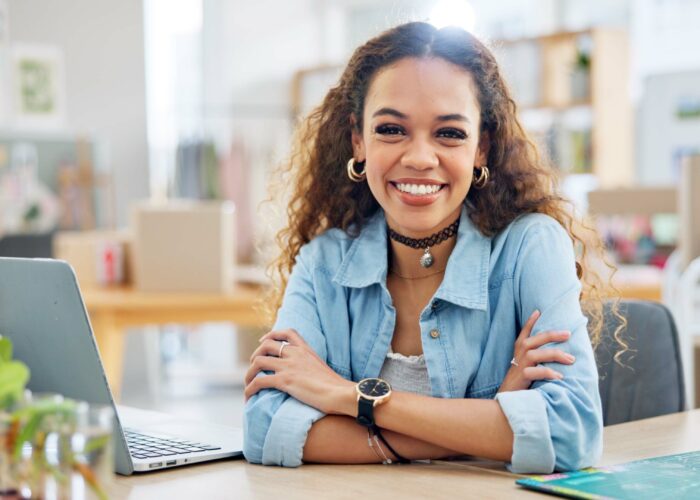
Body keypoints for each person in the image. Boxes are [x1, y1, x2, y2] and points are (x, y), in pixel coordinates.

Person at [243, 21, 619, 473]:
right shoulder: (325, 260)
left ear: (483, 147)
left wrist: (346, 397)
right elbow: (265, 429)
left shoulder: (531, 247)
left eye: (450, 134)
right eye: (390, 129)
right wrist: (484, 430)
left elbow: (571, 432)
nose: (420, 158)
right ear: (358, 140)